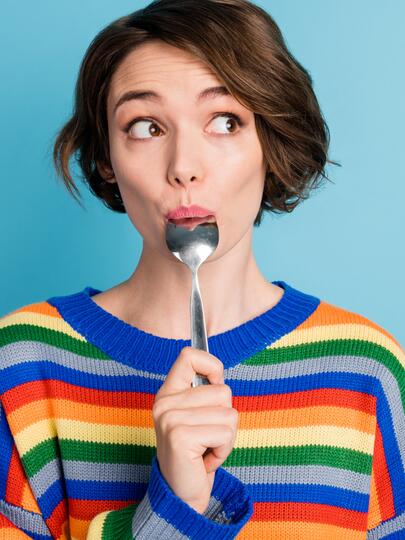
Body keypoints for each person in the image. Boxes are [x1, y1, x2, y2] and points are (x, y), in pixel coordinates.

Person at [0, 0, 404, 538]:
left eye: (225, 121)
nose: (184, 167)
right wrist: (176, 503)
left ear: (270, 142)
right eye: (146, 126)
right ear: (107, 160)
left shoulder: (366, 370)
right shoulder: (22, 368)